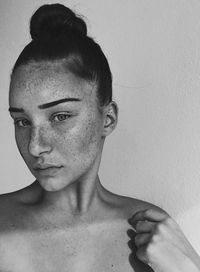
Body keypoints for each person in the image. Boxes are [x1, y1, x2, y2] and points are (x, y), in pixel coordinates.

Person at [1, 3, 200, 271]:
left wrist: (188, 266)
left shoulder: (150, 233)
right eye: (22, 121)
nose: (35, 146)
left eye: (60, 117)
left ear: (108, 119)